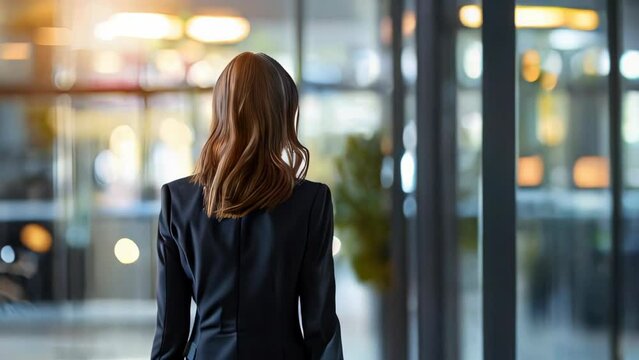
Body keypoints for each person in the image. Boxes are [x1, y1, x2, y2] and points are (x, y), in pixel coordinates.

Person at [151, 52, 343, 360]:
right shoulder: (311, 202)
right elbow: (320, 327)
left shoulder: (177, 201)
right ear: (281, 115)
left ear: (220, 110)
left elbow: (169, 332)